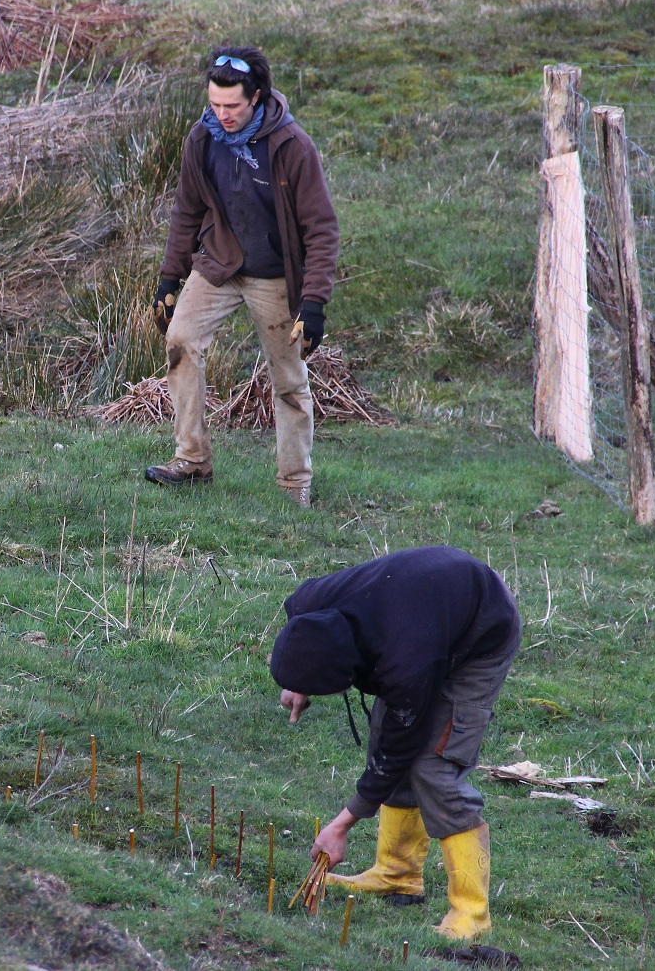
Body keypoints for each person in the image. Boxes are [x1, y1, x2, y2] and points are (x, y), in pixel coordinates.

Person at [267, 546, 522, 940]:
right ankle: (397, 875)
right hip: (427, 606)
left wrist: (341, 824)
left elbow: (400, 748)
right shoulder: (310, 602)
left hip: (482, 628)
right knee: (387, 737)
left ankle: (472, 914)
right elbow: (299, 622)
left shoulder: (405, 660)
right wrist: (299, 678)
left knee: (433, 766)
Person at [146, 46, 340, 508]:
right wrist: (168, 280)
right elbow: (186, 211)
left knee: (289, 379)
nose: (222, 114)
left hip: (274, 276)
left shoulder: (292, 146)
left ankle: (295, 485)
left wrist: (313, 304)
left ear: (256, 97)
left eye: (232, 106)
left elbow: (322, 228)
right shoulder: (202, 138)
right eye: (214, 104)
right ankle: (192, 461)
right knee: (180, 341)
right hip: (218, 264)